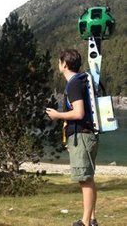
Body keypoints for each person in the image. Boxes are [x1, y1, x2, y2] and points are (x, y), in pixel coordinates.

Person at [46, 49, 99, 226]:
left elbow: (78, 113)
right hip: (87, 135)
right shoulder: (81, 81)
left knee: (84, 179)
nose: (58, 64)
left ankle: (84, 222)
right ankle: (91, 219)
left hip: (82, 137)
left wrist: (57, 115)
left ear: (64, 64)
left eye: (59, 62)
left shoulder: (74, 84)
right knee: (88, 178)